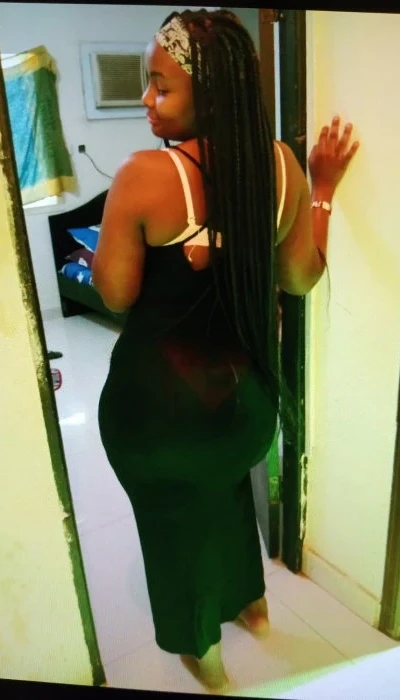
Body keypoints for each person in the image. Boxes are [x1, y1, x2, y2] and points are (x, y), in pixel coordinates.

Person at [93, 9, 359, 694]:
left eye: (161, 87)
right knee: (230, 494)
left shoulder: (143, 175)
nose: (146, 100)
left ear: (208, 95)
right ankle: (254, 607)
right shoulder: (283, 167)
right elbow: (300, 278)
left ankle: (203, 655)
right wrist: (324, 191)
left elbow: (116, 293)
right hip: (244, 409)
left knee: (172, 530)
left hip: (158, 414)